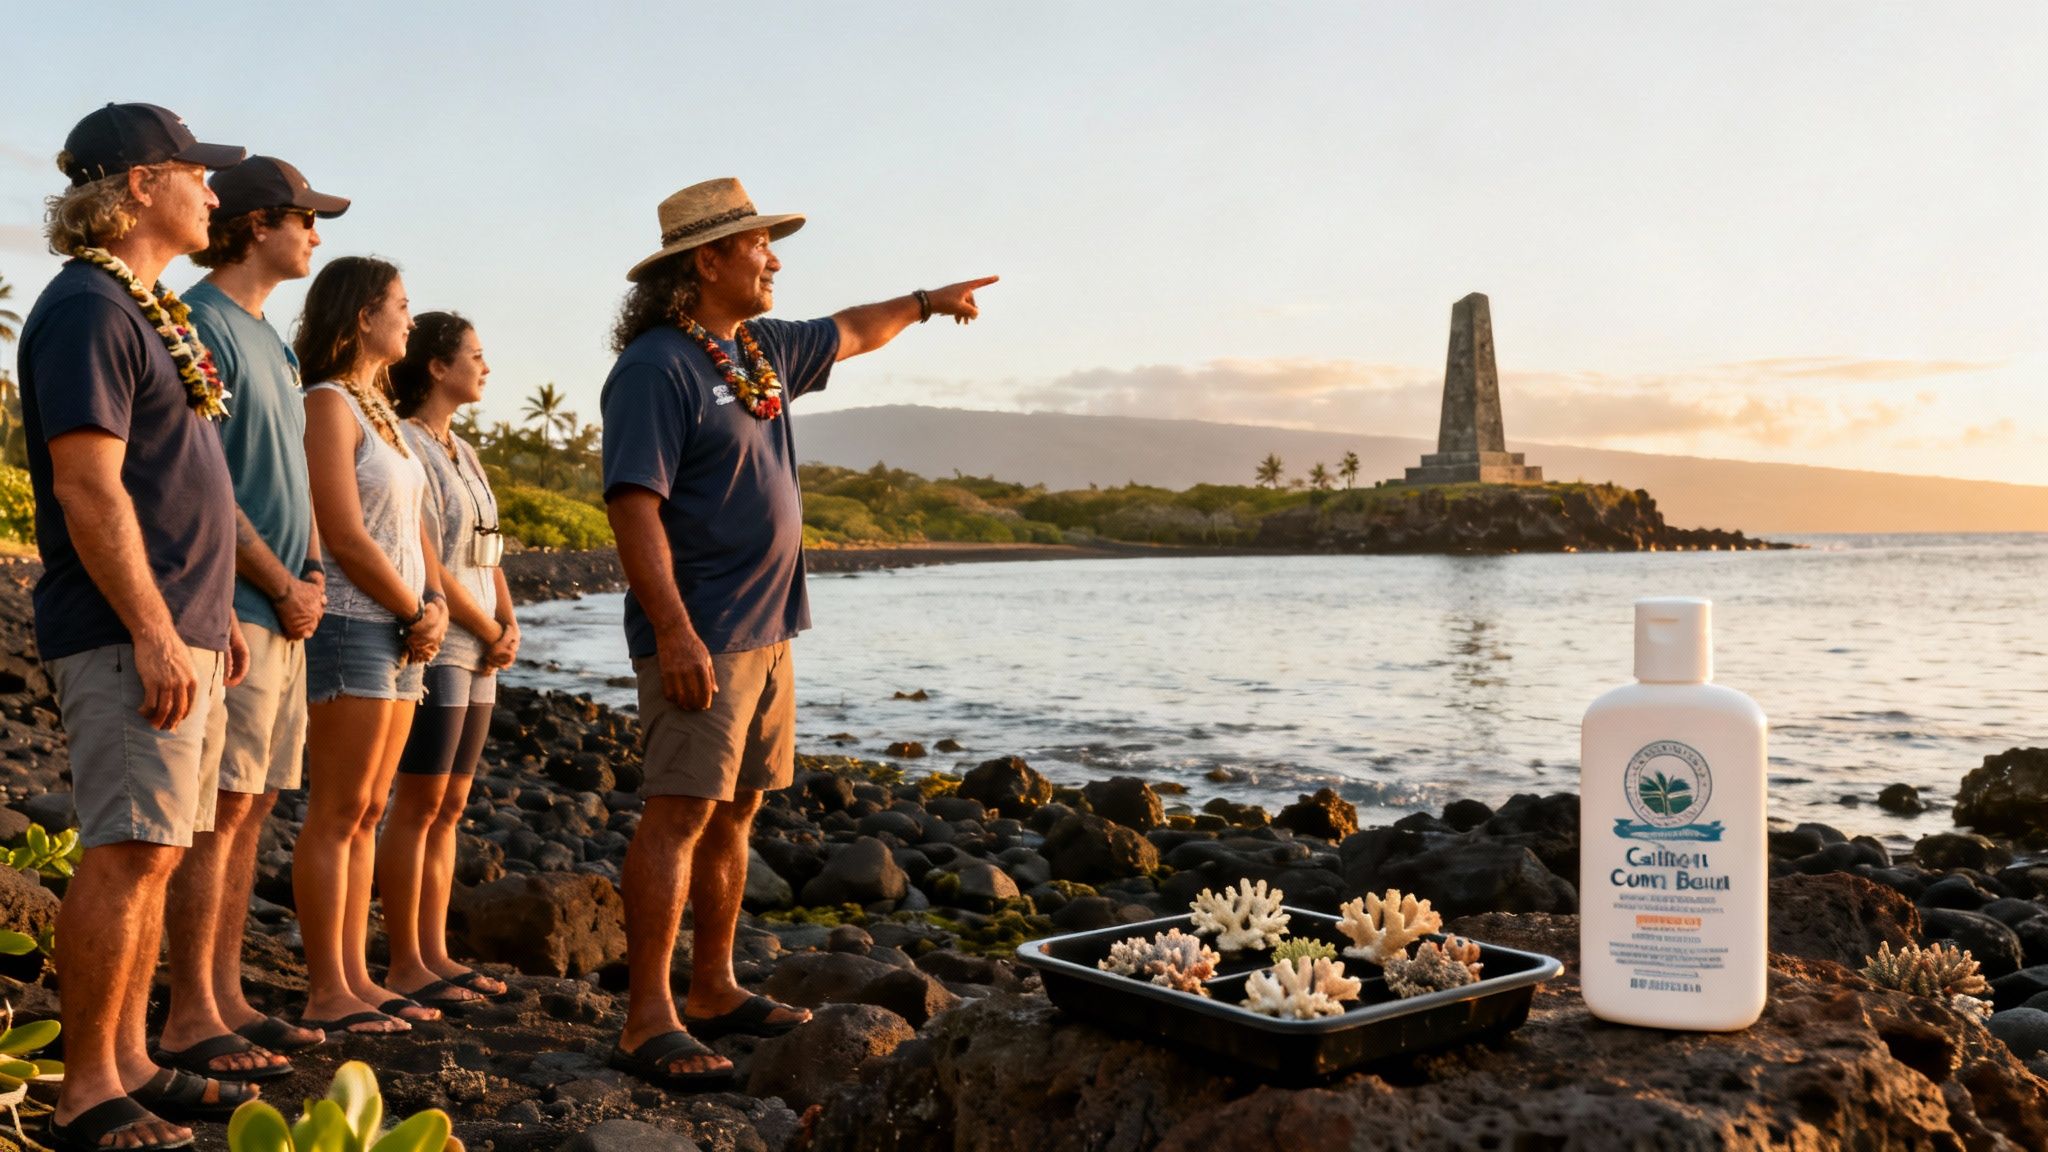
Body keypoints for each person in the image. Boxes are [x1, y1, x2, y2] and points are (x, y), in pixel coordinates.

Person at [600, 177, 996, 1088]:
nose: (773, 257)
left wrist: (930, 303)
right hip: (702, 635)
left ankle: (712, 989)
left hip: (770, 630)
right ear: (706, 261)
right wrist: (676, 632)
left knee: (737, 810)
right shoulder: (657, 367)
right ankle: (646, 1018)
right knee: (679, 814)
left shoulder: (761, 348)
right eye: (757, 245)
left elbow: (855, 328)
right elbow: (633, 506)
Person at [19, 102, 257, 1152]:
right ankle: (84, 1095)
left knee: (157, 851)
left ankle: (127, 1062)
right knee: (125, 850)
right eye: (197, 174)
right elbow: (88, 487)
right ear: (140, 186)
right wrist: (159, 631)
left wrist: (210, 617)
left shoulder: (142, 308)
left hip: (181, 625)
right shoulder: (87, 309)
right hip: (128, 634)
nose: (215, 192)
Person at [155, 155, 352, 1084]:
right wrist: (278, 582)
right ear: (256, 224)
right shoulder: (201, 323)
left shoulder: (270, 340)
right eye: (305, 219)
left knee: (256, 803)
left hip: (284, 606)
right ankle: (190, 1012)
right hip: (234, 606)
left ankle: (227, 996)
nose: (316, 236)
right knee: (217, 811)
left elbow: (290, 481)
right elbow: (208, 482)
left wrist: (309, 573)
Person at [293, 255, 448, 1036]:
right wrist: (414, 605)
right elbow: (344, 533)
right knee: (340, 810)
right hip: (355, 623)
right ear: (362, 316)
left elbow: (412, 525)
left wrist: (435, 604)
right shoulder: (327, 403)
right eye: (400, 305)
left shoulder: (380, 409)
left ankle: (355, 977)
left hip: (398, 627)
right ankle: (328, 990)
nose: (410, 321)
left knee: (371, 810)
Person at [382, 311, 518, 1007]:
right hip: (439, 644)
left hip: (479, 644)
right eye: (475, 353)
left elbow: (487, 551)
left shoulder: (463, 450)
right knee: (419, 800)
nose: (485, 366)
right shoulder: (406, 442)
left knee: (453, 803)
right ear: (438, 366)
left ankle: (435, 953)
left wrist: (509, 622)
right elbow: (426, 554)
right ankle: (405, 960)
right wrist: (481, 624)